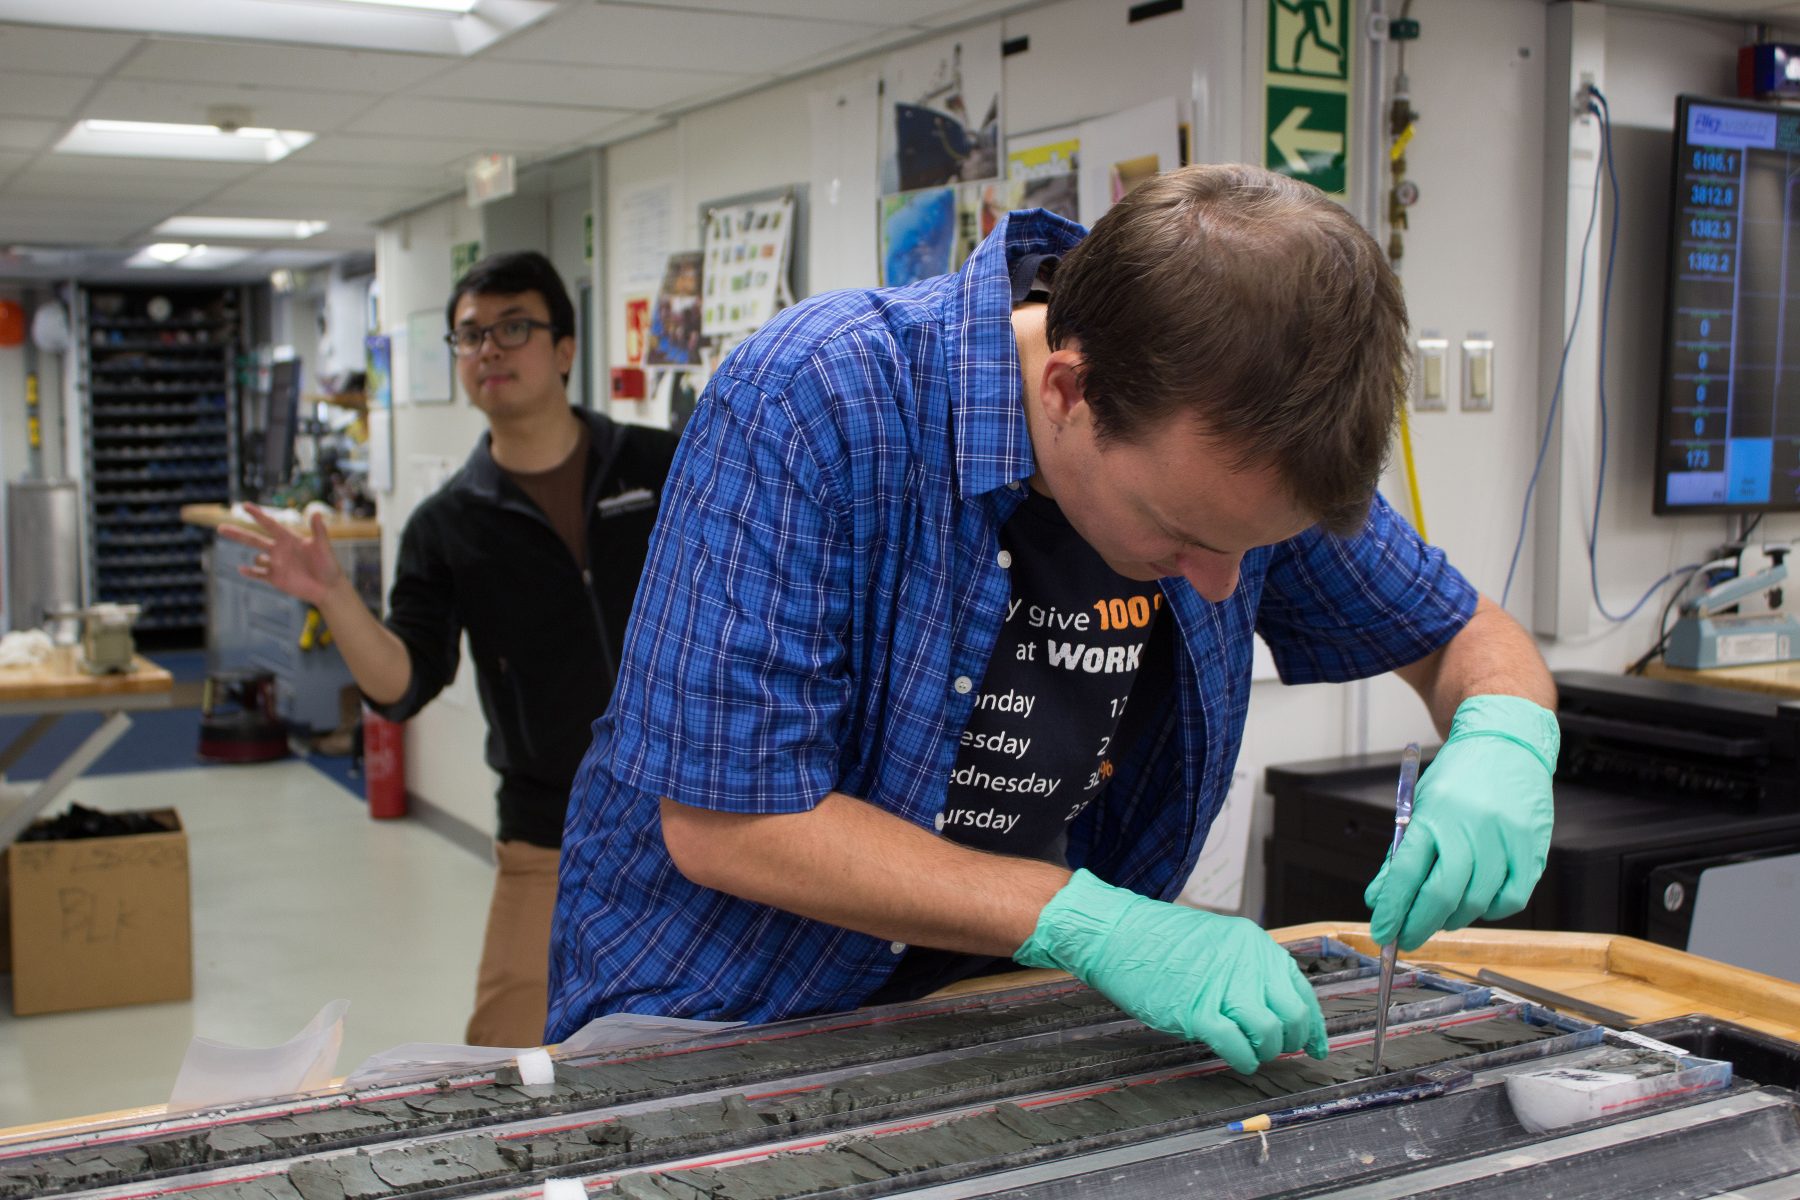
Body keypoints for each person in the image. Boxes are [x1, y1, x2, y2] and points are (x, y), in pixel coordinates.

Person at [547, 165, 1558, 1075]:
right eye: (1180, 535)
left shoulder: (1240, 455)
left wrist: (1505, 735)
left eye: (1251, 549)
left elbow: (1468, 638)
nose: (1219, 586)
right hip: (728, 1008)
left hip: (1007, 1011)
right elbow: (729, 823)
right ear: (1069, 391)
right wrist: (1087, 921)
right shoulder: (816, 397)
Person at [222, 251, 679, 1047]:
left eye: (514, 328)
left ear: (564, 349)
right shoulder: (447, 525)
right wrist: (333, 596)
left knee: (726, 1036)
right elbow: (402, 683)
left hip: (700, 812)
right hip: (552, 831)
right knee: (505, 1053)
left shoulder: (662, 465)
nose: (489, 349)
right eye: (470, 335)